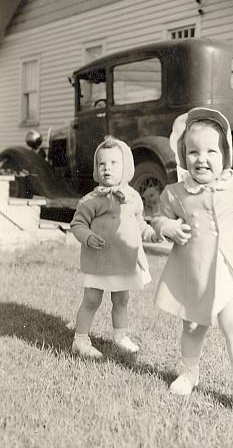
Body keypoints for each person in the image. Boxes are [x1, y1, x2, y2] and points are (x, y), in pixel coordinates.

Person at [152, 107, 233, 404]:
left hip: (228, 273)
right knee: (193, 327)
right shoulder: (176, 193)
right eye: (193, 151)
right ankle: (190, 372)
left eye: (211, 151)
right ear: (183, 156)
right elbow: (158, 218)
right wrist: (167, 226)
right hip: (195, 274)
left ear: (225, 155)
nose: (202, 158)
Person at [70, 136, 157, 359]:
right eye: (102, 164)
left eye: (113, 163)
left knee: (121, 299)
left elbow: (139, 223)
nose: (107, 168)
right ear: (96, 170)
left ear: (126, 167)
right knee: (91, 299)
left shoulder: (132, 197)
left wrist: (151, 233)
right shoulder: (90, 200)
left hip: (123, 259)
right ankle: (80, 340)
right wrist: (87, 236)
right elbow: (77, 224)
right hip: (99, 260)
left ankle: (120, 336)